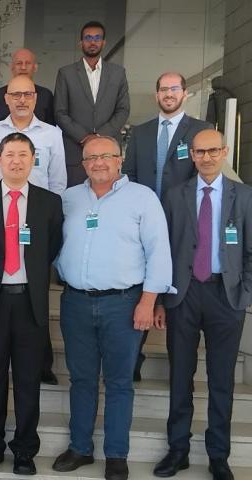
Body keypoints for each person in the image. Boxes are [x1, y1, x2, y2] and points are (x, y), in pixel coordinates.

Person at [53, 136, 175, 480]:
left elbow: (159, 253)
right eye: (91, 158)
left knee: (120, 382)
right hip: (75, 301)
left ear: (119, 160)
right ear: (83, 163)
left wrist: (148, 301)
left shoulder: (143, 198)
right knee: (81, 379)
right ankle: (80, 447)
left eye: (106, 156)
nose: (98, 163)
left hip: (124, 304)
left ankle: (116, 453)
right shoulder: (69, 198)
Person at [152, 129, 252, 480]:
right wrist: (162, 300)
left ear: (224, 152)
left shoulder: (245, 197)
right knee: (181, 375)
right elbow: (162, 250)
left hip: (226, 296)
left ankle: (218, 454)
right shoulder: (174, 195)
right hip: (184, 294)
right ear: (191, 155)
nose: (206, 157)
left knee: (221, 379)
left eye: (213, 151)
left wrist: (244, 293)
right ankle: (177, 449)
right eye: (199, 152)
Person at [0, 132, 62, 474]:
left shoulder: (49, 203)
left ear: (34, 160)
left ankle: (24, 451)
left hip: (29, 303)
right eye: (10, 154)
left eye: (24, 154)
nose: (17, 161)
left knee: (28, 380)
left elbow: (52, 247)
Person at [121, 72, 211, 382]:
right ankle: (132, 362)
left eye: (174, 88)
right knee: (139, 292)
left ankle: (181, 370)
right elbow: (129, 174)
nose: (168, 93)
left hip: (184, 226)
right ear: (156, 94)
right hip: (142, 225)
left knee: (179, 295)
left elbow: (206, 177)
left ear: (185, 93)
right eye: (163, 89)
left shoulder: (202, 130)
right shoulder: (142, 132)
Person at [54, 21, 130, 187]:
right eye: (88, 38)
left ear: (103, 42)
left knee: (110, 202)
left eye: (97, 38)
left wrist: (99, 137)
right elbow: (60, 112)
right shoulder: (66, 73)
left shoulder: (118, 73)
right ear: (81, 43)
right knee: (75, 202)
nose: (93, 41)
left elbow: (123, 110)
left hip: (109, 152)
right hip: (75, 152)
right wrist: (84, 137)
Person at [0, 74, 67, 195]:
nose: (22, 100)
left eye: (28, 94)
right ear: (6, 98)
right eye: (16, 94)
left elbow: (58, 182)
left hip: (39, 207)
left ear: (35, 98)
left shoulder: (52, 134)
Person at [0, 48, 55, 126]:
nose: (23, 67)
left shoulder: (46, 95)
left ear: (35, 67)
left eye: (28, 63)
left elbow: (51, 127)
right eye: (19, 63)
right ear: (11, 67)